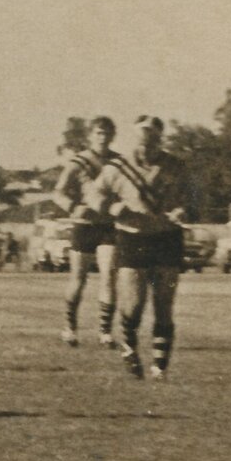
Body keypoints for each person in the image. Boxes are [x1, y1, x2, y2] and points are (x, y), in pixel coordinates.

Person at [85, 116, 196, 380]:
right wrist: (112, 207)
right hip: (133, 238)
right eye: (143, 136)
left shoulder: (177, 167)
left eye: (153, 137)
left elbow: (195, 197)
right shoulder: (118, 167)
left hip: (167, 237)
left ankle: (159, 367)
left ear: (160, 139)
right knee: (133, 305)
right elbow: (94, 193)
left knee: (164, 304)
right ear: (135, 138)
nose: (147, 142)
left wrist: (184, 210)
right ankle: (129, 346)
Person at [53, 116, 122, 347]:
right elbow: (58, 192)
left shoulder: (119, 162)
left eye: (107, 133)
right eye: (98, 133)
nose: (102, 138)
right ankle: (69, 327)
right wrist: (74, 207)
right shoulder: (78, 162)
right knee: (78, 278)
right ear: (91, 135)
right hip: (84, 226)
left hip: (108, 225)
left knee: (109, 276)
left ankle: (105, 332)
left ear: (113, 136)